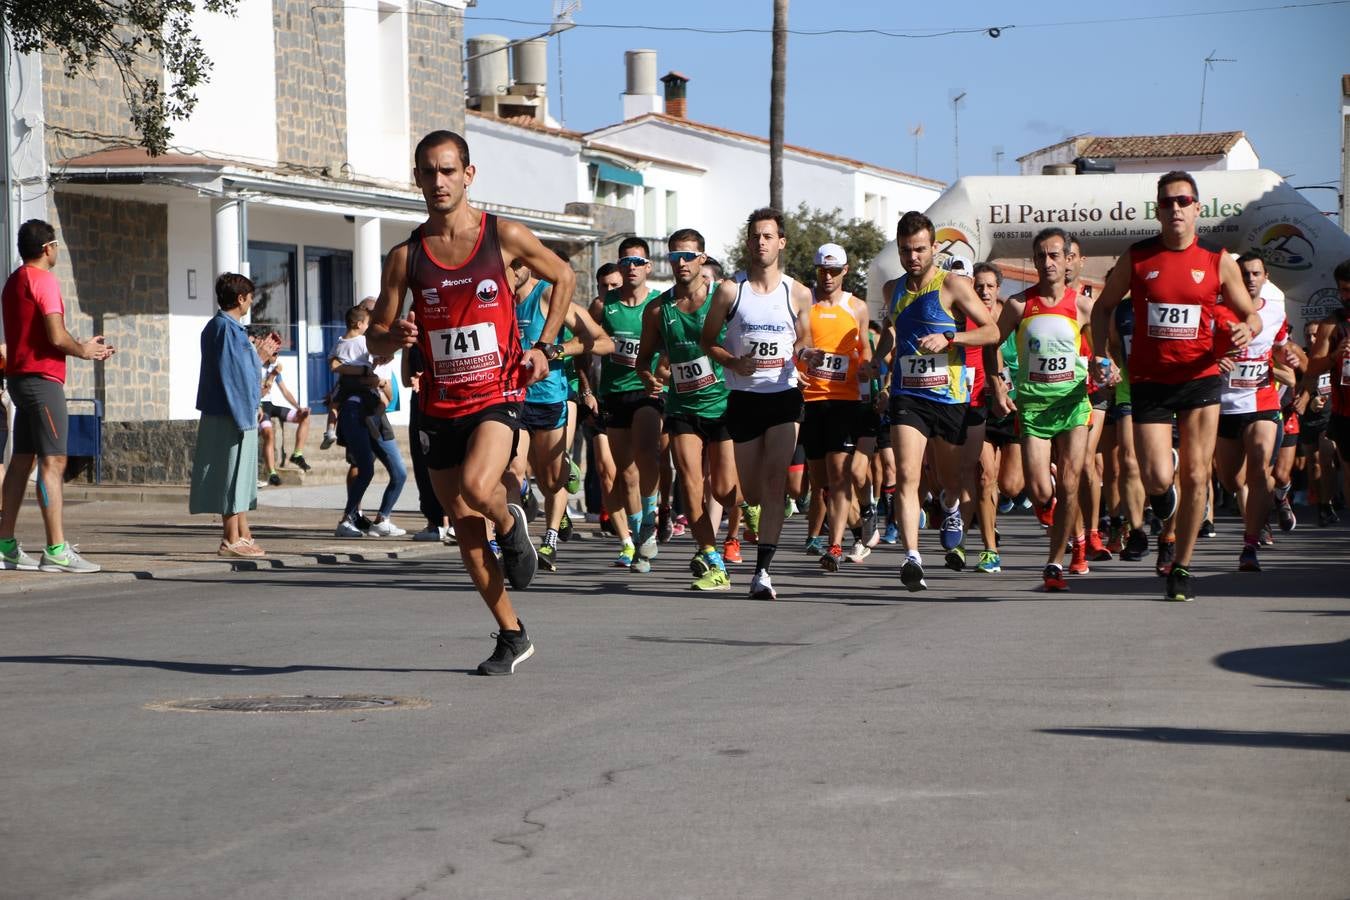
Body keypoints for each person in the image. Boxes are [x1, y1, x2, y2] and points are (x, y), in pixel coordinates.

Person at [368, 129, 574, 676]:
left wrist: (546, 347)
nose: (438, 181)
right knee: (461, 520)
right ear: (417, 179)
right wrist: (398, 338)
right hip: (438, 403)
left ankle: (511, 525)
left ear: (468, 174)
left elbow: (565, 275)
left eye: (448, 170)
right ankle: (512, 633)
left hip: (497, 393)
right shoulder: (406, 256)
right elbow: (376, 338)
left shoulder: (501, 235)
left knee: (480, 490)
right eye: (428, 172)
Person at [1091, 171, 1262, 602]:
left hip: (1199, 378)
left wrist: (1247, 329)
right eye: (1167, 203)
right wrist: (1098, 353)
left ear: (1197, 208)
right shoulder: (1139, 256)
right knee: (1154, 475)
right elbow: (1104, 305)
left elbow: (1250, 312)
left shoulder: (1217, 259)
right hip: (1149, 380)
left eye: (1183, 201)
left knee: (1196, 473)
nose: (1175, 209)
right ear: (1158, 209)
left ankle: (1182, 565)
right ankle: (1164, 506)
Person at [873, 211, 998, 591]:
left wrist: (951, 339)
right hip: (908, 394)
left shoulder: (954, 286)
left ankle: (951, 506)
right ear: (898, 249)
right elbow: (895, 330)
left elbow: (991, 331)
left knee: (951, 479)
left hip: (948, 395)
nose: (913, 257)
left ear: (933, 249)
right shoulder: (891, 289)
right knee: (908, 475)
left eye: (920, 249)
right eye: (906, 250)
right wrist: (878, 362)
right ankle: (912, 557)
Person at [700, 208, 813, 599]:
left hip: (783, 396)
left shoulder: (797, 292)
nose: (761, 242)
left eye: (768, 236)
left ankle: (762, 570)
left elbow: (804, 338)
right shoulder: (731, 290)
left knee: (775, 481)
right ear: (748, 243)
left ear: (781, 242)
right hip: (743, 399)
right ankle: (752, 521)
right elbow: (708, 340)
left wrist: (806, 353)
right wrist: (732, 361)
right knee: (746, 489)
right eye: (755, 236)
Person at [0, 219, 115, 573]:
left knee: (22, 461)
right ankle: (56, 550)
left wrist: (77, 346)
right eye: (57, 246)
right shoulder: (44, 281)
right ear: (48, 248)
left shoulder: (13, 281)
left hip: (19, 379)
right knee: (55, 463)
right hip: (42, 382)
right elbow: (54, 334)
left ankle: (5, 545)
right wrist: (83, 349)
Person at [991, 228, 1095, 591]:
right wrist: (996, 383)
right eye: (1041, 256)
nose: (1048, 263)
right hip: (1033, 406)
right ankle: (1071, 533)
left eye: (1054, 256)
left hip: (1072, 405)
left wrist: (1103, 367)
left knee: (1069, 483)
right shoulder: (1019, 305)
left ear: (1068, 259)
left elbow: (1100, 353)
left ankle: (1055, 563)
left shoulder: (1082, 306)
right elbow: (992, 343)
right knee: (1039, 490)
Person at [635, 228, 738, 590]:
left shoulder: (722, 301)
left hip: (723, 404)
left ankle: (749, 507)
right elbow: (643, 360)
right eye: (674, 256)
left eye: (687, 256)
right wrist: (649, 378)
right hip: (681, 408)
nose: (680, 263)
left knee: (725, 490)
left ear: (702, 259)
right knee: (692, 487)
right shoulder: (658, 310)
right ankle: (712, 559)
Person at [505, 256, 612, 572]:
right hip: (513, 399)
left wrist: (558, 350)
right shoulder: (497, 300)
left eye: (516, 265)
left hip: (550, 398)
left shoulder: (548, 295)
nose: (510, 272)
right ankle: (518, 540)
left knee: (552, 479)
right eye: (505, 266)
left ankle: (552, 534)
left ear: (530, 267)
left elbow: (602, 342)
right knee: (513, 466)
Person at [589, 238, 666, 572]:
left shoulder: (659, 305)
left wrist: (660, 372)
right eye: (626, 262)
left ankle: (651, 516)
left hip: (647, 392)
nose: (631, 267)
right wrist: (586, 388)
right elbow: (584, 344)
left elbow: (671, 346)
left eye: (638, 262)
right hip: (614, 393)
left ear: (647, 267)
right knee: (627, 473)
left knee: (647, 454)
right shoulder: (603, 307)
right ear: (619, 267)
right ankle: (638, 538)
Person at [1212, 252, 1292, 572]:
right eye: (1244, 273)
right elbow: (1198, 351)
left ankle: (1250, 544)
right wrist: (1214, 361)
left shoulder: (1275, 313)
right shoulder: (1217, 313)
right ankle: (1262, 508)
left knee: (1260, 467)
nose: (1249, 279)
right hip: (1225, 406)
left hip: (1262, 402)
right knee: (1232, 480)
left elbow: (1285, 346)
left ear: (1265, 277)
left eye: (1255, 273)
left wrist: (1294, 358)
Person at [189, 273, 278, 558]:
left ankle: (243, 533)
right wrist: (260, 357)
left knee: (240, 476)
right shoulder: (227, 330)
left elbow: (238, 369)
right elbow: (235, 373)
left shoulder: (221, 328)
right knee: (232, 473)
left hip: (232, 409)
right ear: (240, 298)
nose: (251, 302)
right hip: (231, 412)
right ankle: (230, 538)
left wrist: (255, 360)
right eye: (250, 297)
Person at [798, 243, 873, 572]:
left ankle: (835, 546)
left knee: (840, 476)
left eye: (833, 271)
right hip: (810, 401)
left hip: (844, 401)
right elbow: (795, 343)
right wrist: (798, 363)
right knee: (821, 484)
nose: (827, 277)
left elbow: (865, 346)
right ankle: (860, 527)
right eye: (822, 271)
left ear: (845, 271)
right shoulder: (804, 304)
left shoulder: (856, 307)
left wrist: (869, 367)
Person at [330, 304, 406, 538]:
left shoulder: (347, 344)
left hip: (375, 412)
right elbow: (337, 368)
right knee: (366, 469)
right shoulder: (361, 342)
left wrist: (375, 376)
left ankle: (382, 519)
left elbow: (339, 367)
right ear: (362, 325)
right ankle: (348, 519)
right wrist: (367, 375)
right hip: (357, 410)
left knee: (399, 472)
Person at [1303, 258, 1350, 517]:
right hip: (1345, 413)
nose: (1348, 295)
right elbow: (1312, 368)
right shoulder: (1331, 324)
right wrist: (1334, 356)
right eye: (1344, 290)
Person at [258, 343, 313, 483]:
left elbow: (285, 391)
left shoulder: (273, 368)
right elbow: (257, 394)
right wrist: (272, 376)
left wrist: (299, 407)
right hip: (259, 406)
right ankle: (272, 473)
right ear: (267, 353)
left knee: (304, 417)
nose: (277, 357)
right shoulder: (257, 367)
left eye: (278, 354)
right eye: (275, 354)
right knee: (269, 434)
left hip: (271, 404)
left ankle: (297, 454)